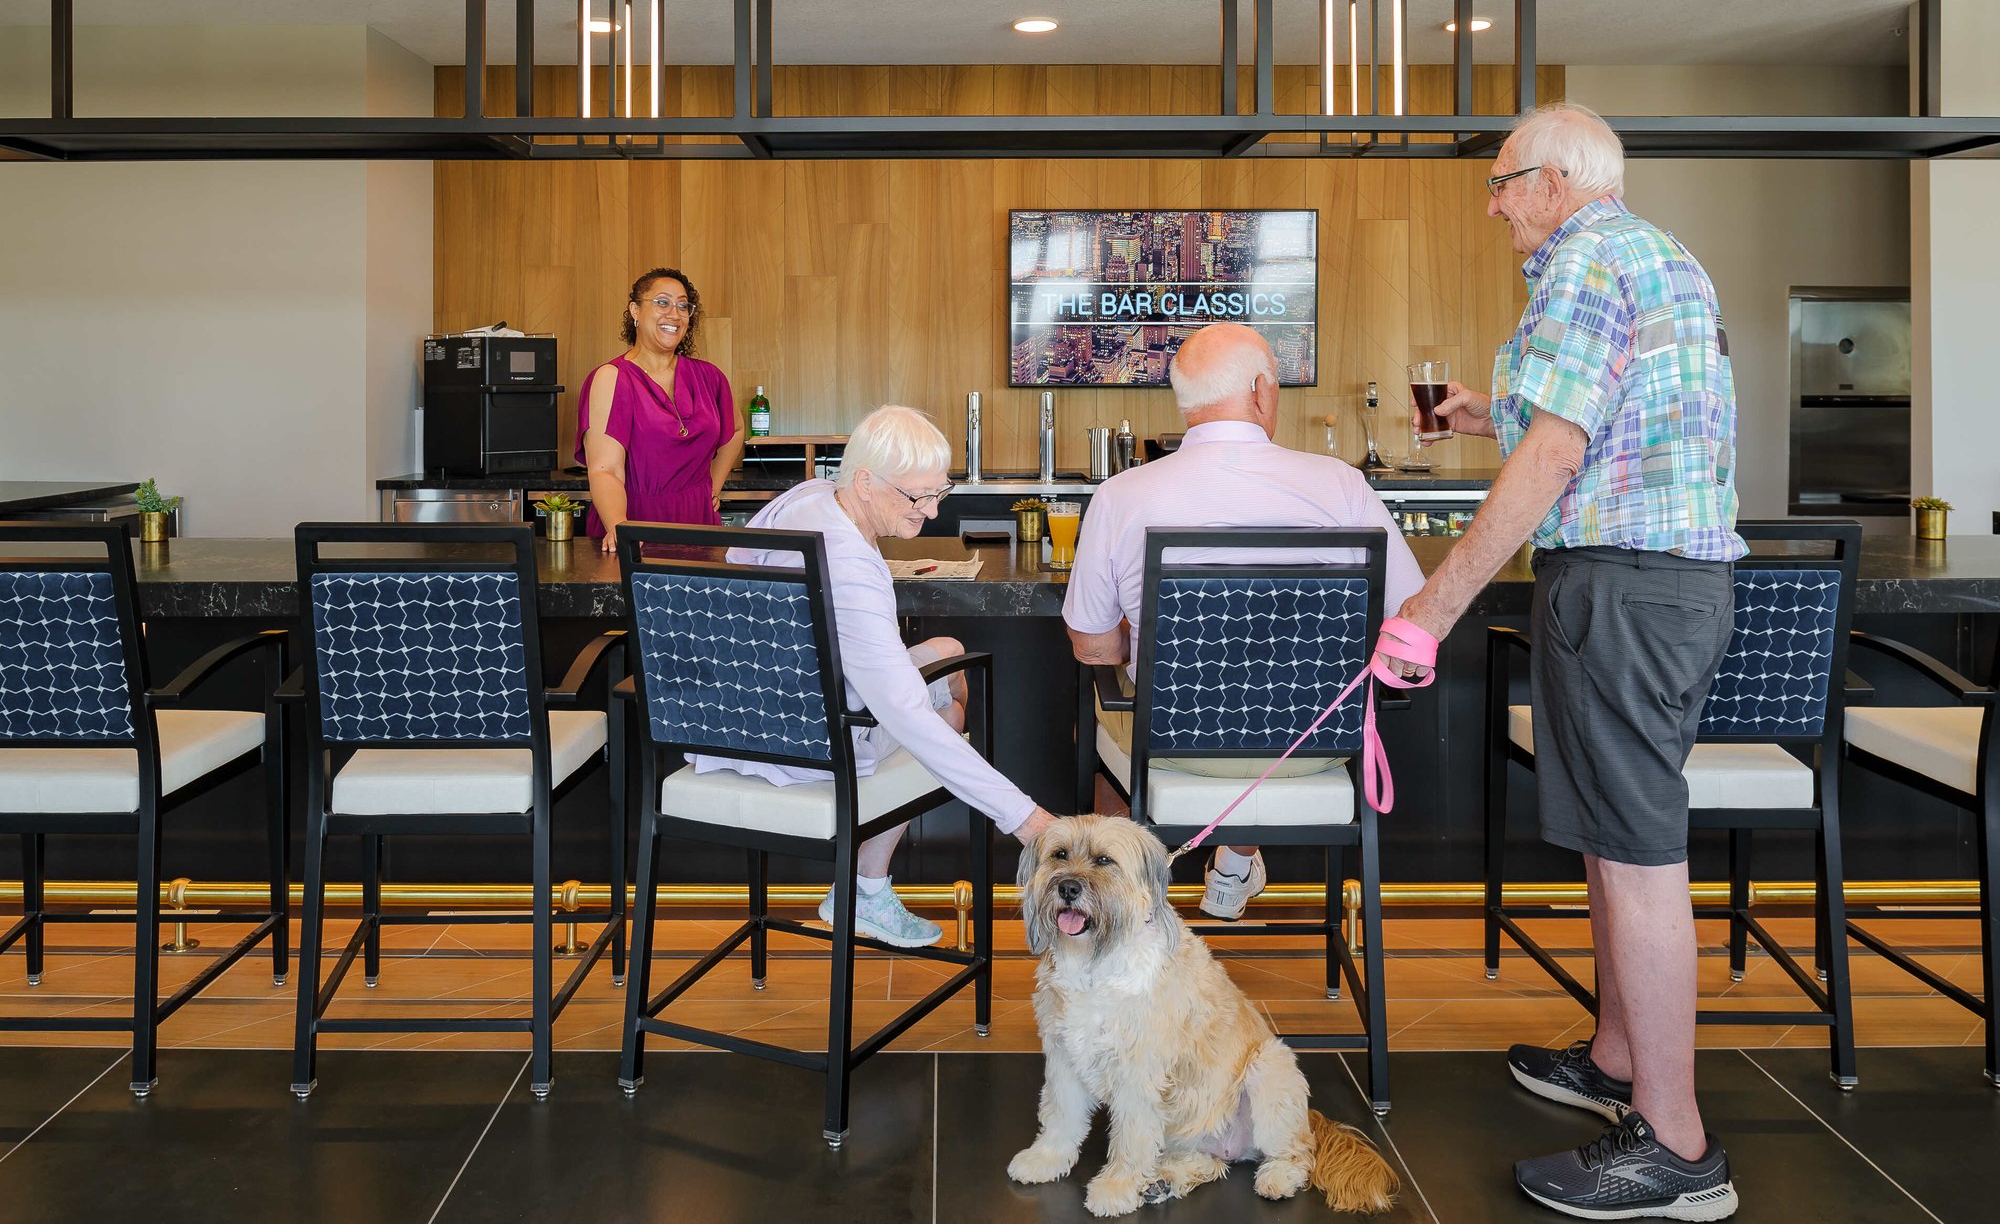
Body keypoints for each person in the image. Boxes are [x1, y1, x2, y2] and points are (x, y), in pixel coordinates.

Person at [1388, 104, 1744, 1220]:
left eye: (1501, 181)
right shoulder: (1657, 254)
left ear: (1553, 180)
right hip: (1663, 587)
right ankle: (1616, 1060)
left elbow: (1556, 451)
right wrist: (1481, 412)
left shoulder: (1585, 259)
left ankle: (1675, 1148)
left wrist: (1430, 610)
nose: (1492, 203)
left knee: (1635, 855)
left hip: (1621, 586)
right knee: (1609, 836)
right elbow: (1608, 415)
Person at [1062, 323, 1424, 920]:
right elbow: (1411, 617)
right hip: (1312, 743)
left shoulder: (1122, 495)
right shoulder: (1341, 486)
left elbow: (1093, 648)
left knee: (1097, 713)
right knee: (1264, 686)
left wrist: (1153, 640)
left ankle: (1125, 908)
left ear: (1184, 402)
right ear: (1261, 390)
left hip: (1173, 746)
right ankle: (1232, 867)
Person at [691, 405, 1057, 948]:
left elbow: (737, 556)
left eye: (940, 492)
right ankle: (867, 889)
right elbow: (907, 716)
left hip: (741, 714)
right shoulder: (852, 572)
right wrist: (1028, 821)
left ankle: (865, 887)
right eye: (917, 497)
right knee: (945, 713)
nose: (932, 511)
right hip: (809, 742)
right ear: (865, 482)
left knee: (948, 652)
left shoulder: (810, 495)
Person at [580, 268, 745, 552]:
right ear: (635, 310)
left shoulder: (710, 377)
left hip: (699, 523)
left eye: (683, 306)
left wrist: (712, 487)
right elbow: (605, 470)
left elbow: (736, 430)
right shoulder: (612, 377)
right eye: (662, 302)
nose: (675, 314)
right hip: (635, 523)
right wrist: (620, 526)